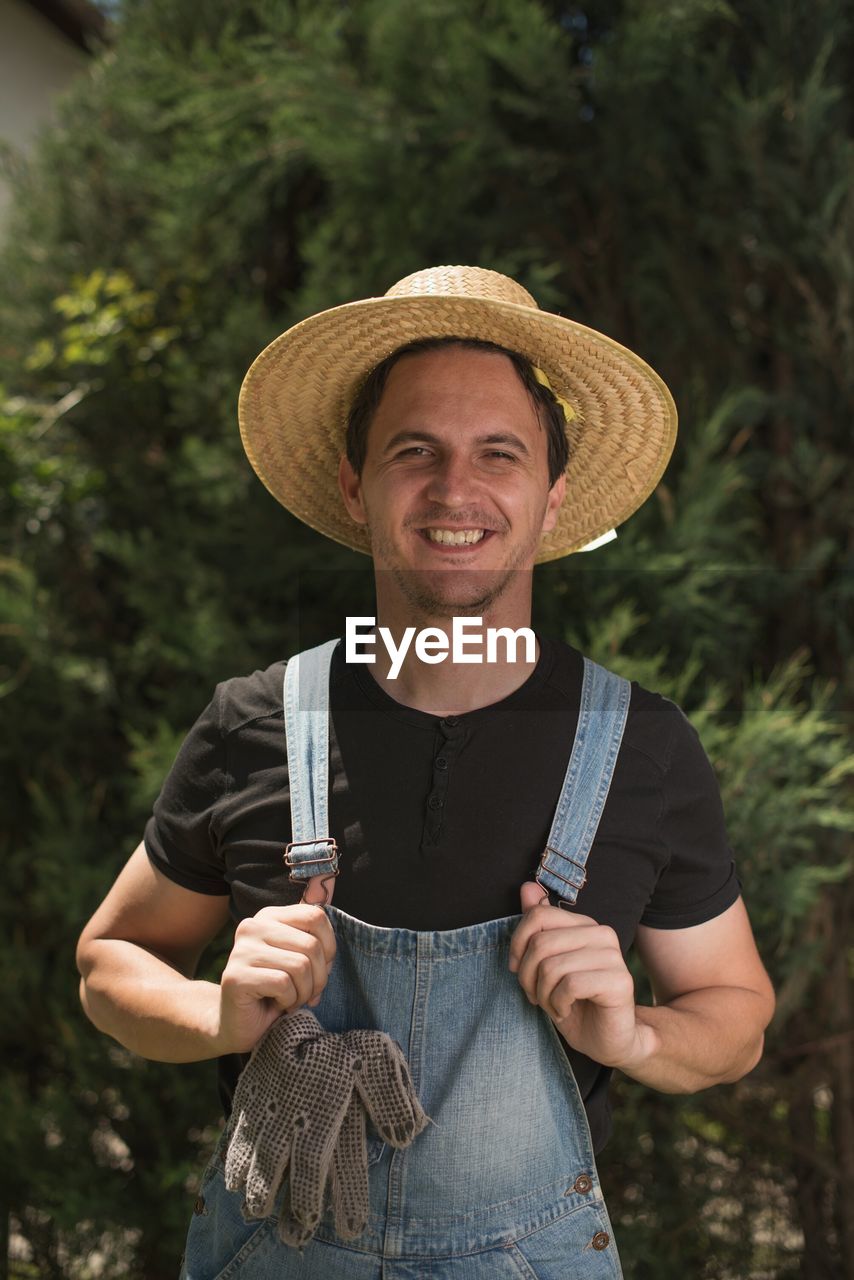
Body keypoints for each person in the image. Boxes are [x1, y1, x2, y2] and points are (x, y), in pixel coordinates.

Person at [76, 265, 775, 1279]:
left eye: (499, 452)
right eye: (415, 451)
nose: (455, 489)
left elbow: (736, 1013)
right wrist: (213, 1012)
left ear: (552, 495)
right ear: (356, 483)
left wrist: (636, 1035)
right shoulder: (256, 721)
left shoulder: (639, 745)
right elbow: (108, 963)